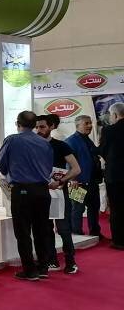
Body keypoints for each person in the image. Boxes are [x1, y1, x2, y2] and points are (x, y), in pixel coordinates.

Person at [0, 111, 57, 281]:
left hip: (22, 190)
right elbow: (49, 167)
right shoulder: (44, 143)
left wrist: (13, 173)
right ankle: (43, 267)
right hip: (42, 190)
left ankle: (30, 270)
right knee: (42, 230)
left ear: (18, 124)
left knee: (23, 232)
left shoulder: (12, 140)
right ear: (34, 125)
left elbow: (1, 164)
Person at [36, 115, 81, 274]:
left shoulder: (61, 146)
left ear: (51, 127)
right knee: (46, 229)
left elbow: (76, 169)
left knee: (63, 229)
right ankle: (52, 261)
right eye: (36, 127)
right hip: (40, 193)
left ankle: (71, 262)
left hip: (59, 192)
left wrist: (61, 181)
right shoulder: (33, 146)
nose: (38, 130)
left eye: (42, 127)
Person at [65, 114, 103, 238]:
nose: (90, 125)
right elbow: (68, 162)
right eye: (86, 123)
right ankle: (76, 234)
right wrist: (72, 179)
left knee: (94, 208)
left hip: (92, 181)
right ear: (77, 125)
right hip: (78, 182)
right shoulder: (71, 141)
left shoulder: (87, 139)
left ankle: (95, 232)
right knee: (77, 209)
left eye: (90, 123)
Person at [99, 102, 124, 249]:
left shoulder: (109, 130)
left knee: (116, 208)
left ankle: (119, 241)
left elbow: (103, 150)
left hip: (115, 176)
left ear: (114, 114)